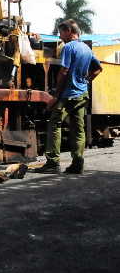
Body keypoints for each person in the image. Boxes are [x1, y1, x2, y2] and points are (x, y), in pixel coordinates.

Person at [35, 19, 103, 174]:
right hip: (81, 94)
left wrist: (55, 96)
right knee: (78, 129)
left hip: (67, 95)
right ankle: (77, 163)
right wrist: (87, 79)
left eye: (61, 32)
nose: (60, 36)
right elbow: (99, 68)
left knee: (54, 124)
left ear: (69, 32)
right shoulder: (86, 48)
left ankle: (53, 163)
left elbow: (64, 71)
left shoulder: (68, 47)